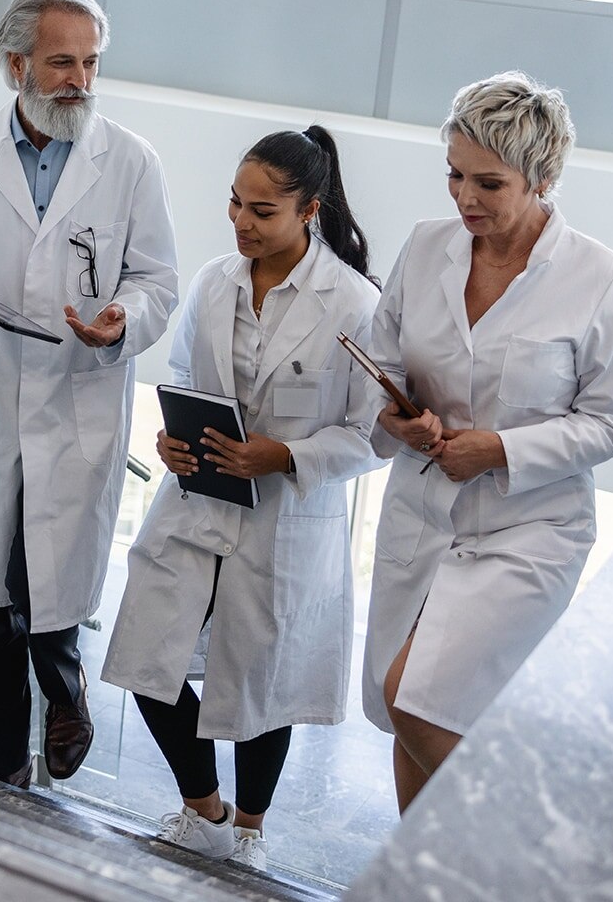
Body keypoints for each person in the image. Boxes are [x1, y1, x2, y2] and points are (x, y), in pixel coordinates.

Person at [0, 0, 178, 790]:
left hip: (76, 397)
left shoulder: (130, 161)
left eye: (91, 63)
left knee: (48, 583)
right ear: (16, 65)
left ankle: (66, 694)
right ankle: (4, 771)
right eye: (62, 63)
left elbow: (157, 281)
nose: (80, 82)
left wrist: (122, 321)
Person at [101, 126, 382, 870]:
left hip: (285, 518)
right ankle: (206, 813)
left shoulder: (354, 303)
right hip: (197, 500)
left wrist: (285, 455)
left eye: (262, 211)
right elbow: (184, 377)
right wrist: (171, 440)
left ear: (310, 210)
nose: (241, 223)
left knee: (264, 687)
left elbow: (373, 435)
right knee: (145, 658)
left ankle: (251, 833)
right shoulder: (214, 281)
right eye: (235, 203)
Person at [361, 71, 613, 813]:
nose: (465, 198)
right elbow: (382, 364)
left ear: (543, 179)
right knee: (409, 711)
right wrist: (397, 416)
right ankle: (422, 869)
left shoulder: (598, 277)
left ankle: (522, 847)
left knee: (415, 699)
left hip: (529, 531)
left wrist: (499, 450)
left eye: (489, 183)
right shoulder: (426, 248)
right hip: (423, 513)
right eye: (454, 175)